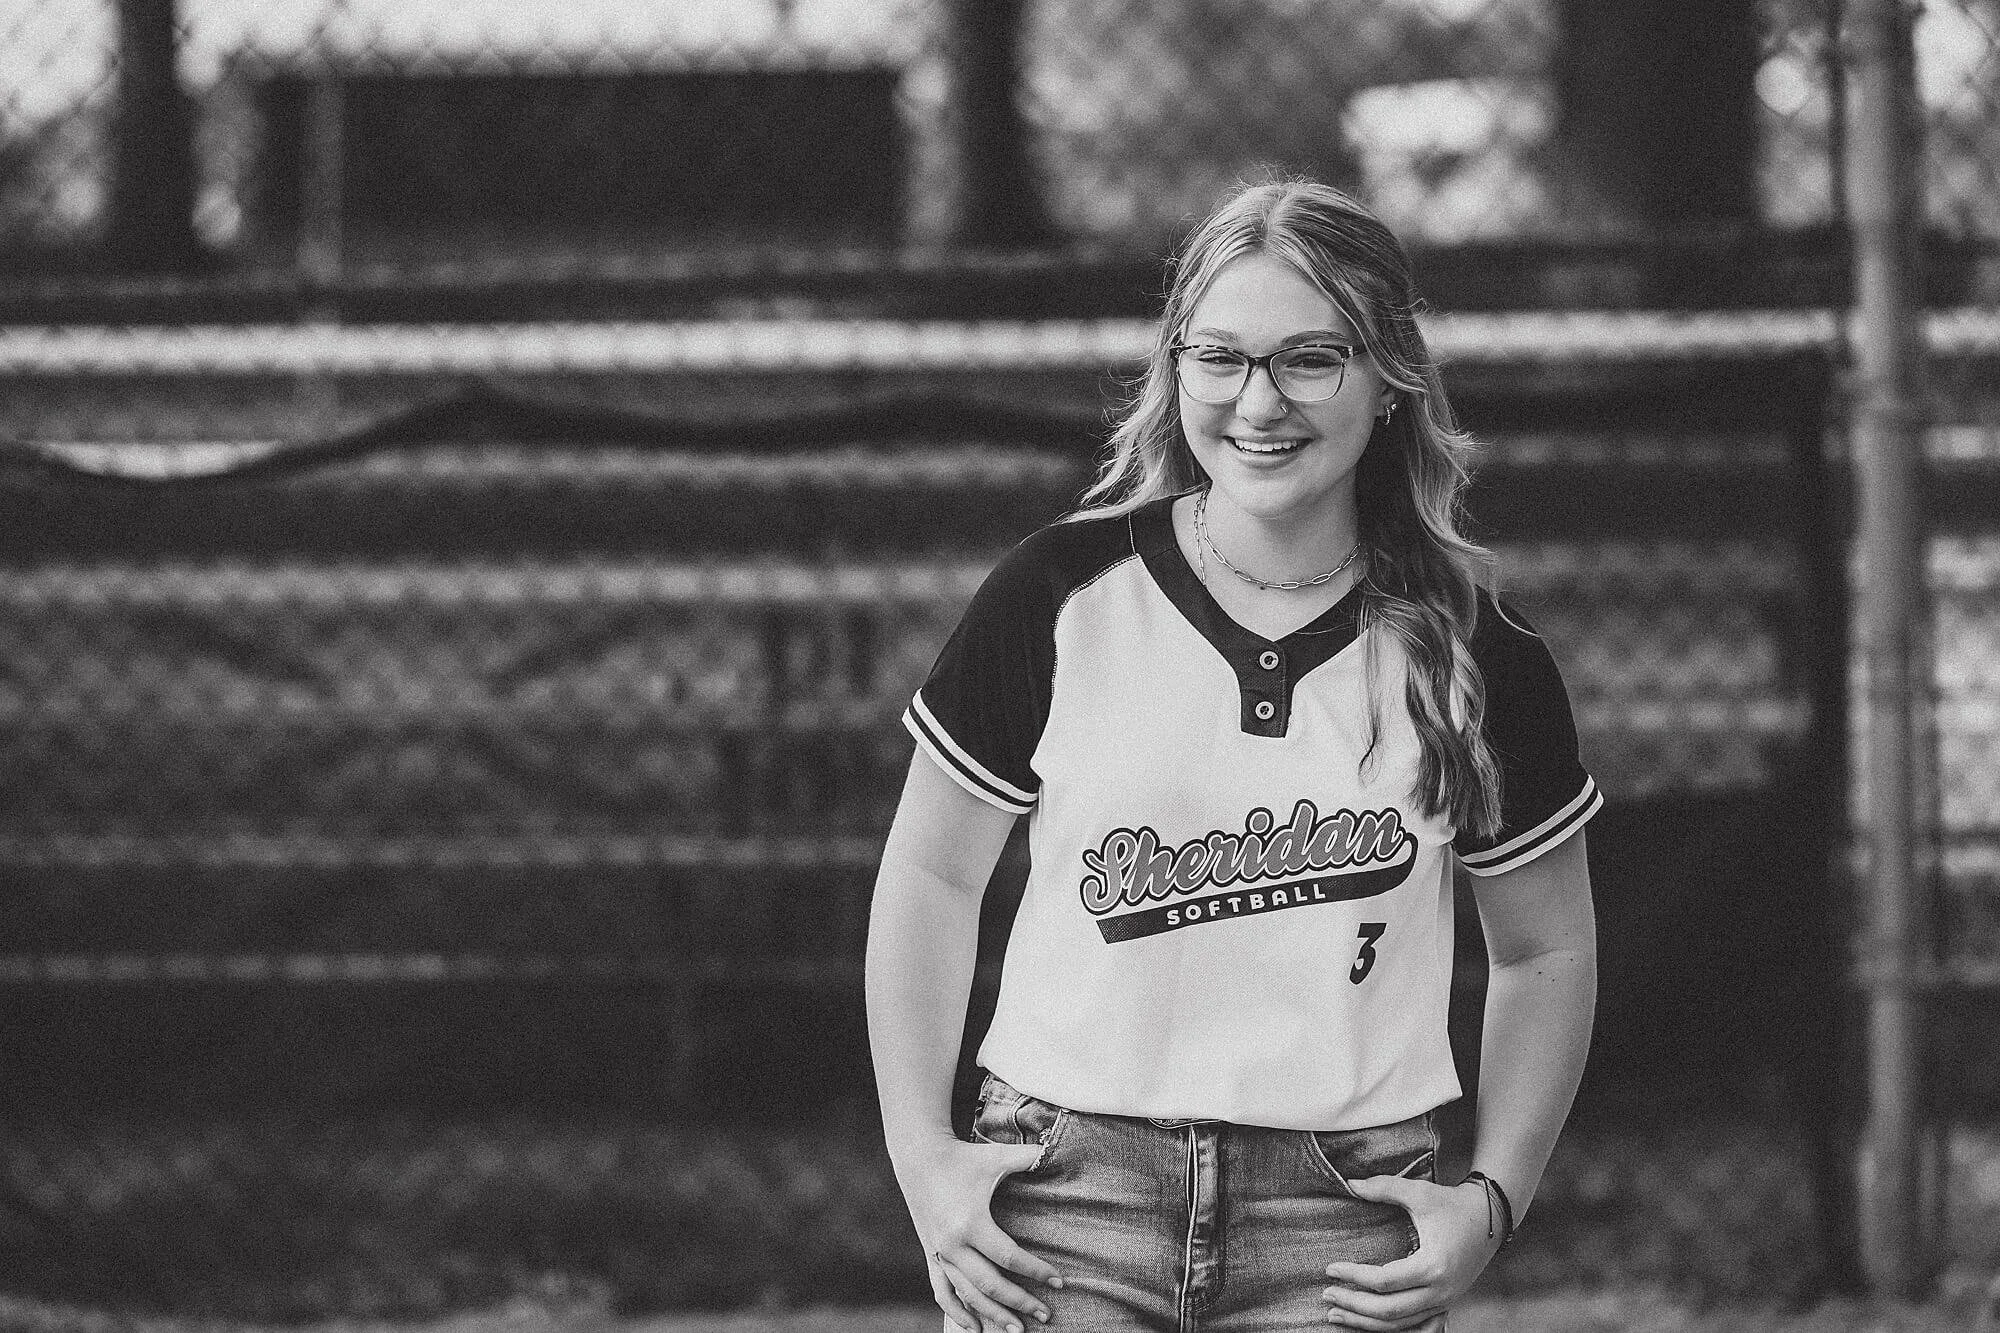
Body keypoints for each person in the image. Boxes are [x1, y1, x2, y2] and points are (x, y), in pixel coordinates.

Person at [865, 179, 1599, 1333]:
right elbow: (931, 876)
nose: (1258, 401)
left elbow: (1544, 949)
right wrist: (922, 1155)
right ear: (1177, 371)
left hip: (1345, 1211)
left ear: (1388, 380)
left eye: (1310, 358)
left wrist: (1491, 1197)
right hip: (1062, 1195)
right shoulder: (1057, 595)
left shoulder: (1472, 650)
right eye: (1219, 357)